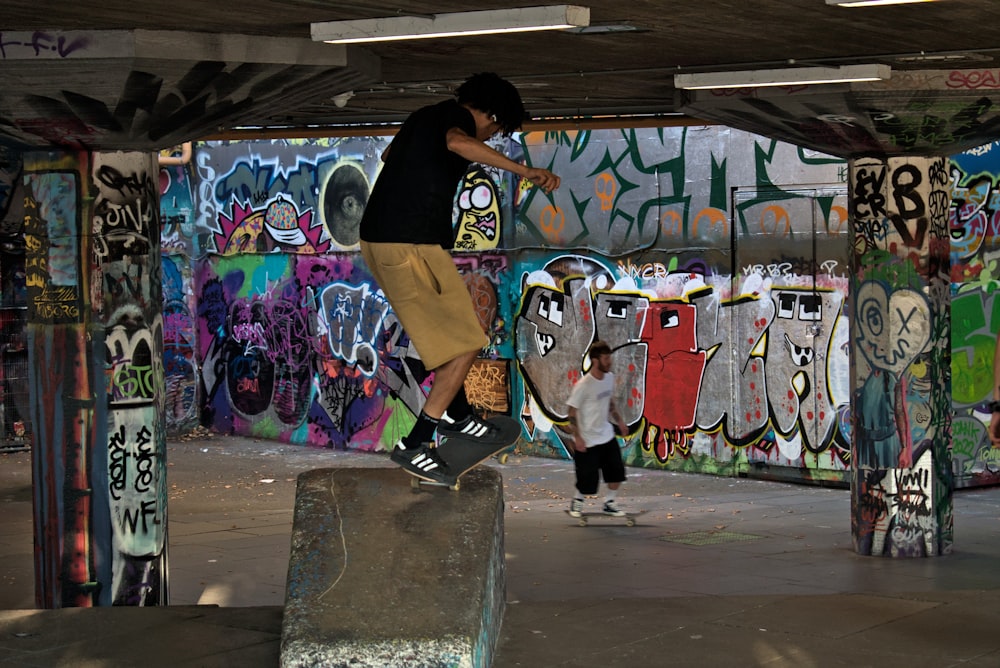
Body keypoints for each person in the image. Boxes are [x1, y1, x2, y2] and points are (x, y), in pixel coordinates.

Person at [360, 72, 561, 482]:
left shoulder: (423, 117)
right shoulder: (455, 120)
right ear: (490, 114)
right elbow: (457, 142)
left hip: (388, 242)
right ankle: (416, 441)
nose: (487, 139)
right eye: (494, 130)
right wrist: (524, 171)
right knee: (469, 341)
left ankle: (459, 414)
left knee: (457, 338)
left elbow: (389, 157)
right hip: (408, 244)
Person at [566, 341, 629, 517]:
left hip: (607, 435)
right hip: (588, 439)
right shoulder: (584, 385)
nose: (610, 362)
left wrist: (620, 422)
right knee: (587, 482)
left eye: (610, 358)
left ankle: (609, 502)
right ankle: (578, 500)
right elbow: (571, 412)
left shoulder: (609, 379)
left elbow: (610, 403)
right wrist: (578, 437)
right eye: (606, 358)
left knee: (616, 474)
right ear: (595, 360)